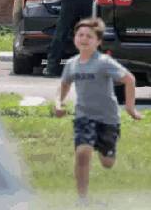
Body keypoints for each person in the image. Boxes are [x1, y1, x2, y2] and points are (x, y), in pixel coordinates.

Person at [54, 18, 142, 205]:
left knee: (107, 163)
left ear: (98, 42)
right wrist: (59, 103)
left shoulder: (104, 62)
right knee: (82, 152)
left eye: (89, 36)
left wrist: (130, 108)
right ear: (75, 38)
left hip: (108, 119)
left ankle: (108, 151)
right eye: (80, 35)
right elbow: (64, 84)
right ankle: (82, 199)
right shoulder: (72, 64)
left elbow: (129, 79)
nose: (84, 39)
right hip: (83, 117)